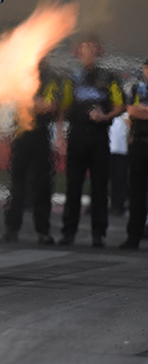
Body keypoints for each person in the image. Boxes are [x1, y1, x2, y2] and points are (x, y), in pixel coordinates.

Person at [59, 35, 125, 247]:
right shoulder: (72, 77)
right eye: (84, 49)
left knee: (99, 187)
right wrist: (60, 136)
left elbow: (120, 105)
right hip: (77, 135)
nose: (88, 53)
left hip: (99, 136)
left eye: (92, 49)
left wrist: (105, 117)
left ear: (98, 52)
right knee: (73, 186)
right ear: (78, 52)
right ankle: (68, 232)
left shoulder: (108, 77)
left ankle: (99, 234)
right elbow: (63, 108)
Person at [2, 63, 60, 244]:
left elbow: (50, 107)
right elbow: (15, 103)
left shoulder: (50, 82)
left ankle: (43, 230)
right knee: (17, 184)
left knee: (42, 185)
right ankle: (12, 228)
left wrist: (30, 104)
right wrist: (34, 105)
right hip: (21, 136)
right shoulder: (19, 79)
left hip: (41, 135)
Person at [119, 59, 148, 249]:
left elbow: (139, 111)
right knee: (137, 192)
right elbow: (132, 111)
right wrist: (140, 111)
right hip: (139, 143)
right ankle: (133, 236)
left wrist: (143, 110)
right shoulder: (136, 87)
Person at [108, 111, 129, 216]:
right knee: (101, 177)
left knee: (120, 178)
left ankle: (118, 205)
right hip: (108, 146)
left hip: (123, 148)